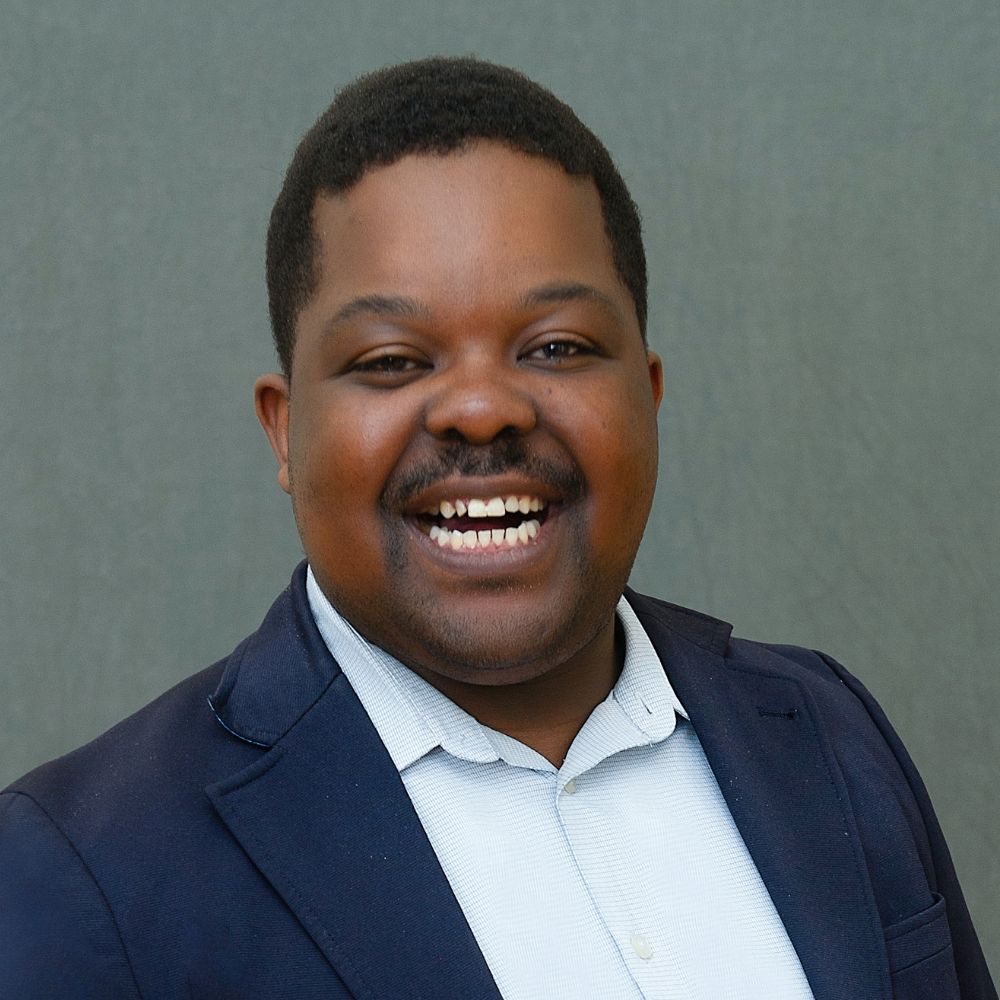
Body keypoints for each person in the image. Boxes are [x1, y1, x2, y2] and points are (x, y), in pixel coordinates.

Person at [0, 57, 993, 1000]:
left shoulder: (826, 728)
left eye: (556, 345)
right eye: (392, 359)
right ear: (286, 430)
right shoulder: (89, 868)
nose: (481, 408)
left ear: (646, 394)